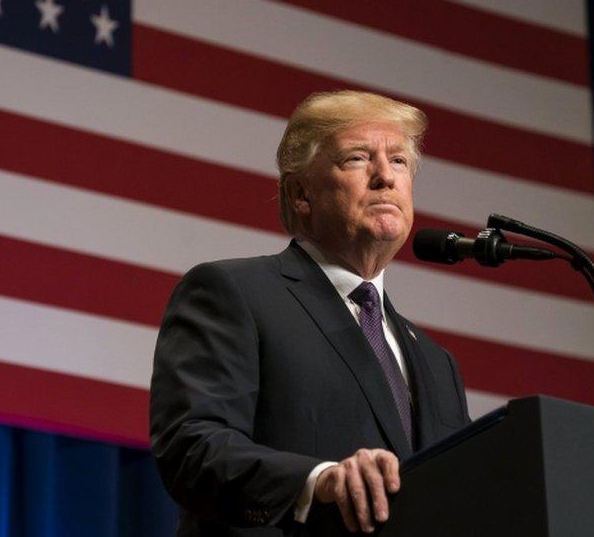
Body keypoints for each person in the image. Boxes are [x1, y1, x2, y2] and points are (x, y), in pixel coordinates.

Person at [150, 91, 472, 536]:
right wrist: (318, 481)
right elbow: (193, 449)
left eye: (398, 161)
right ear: (301, 193)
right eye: (359, 158)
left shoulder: (437, 363)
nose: (385, 178)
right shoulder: (235, 294)